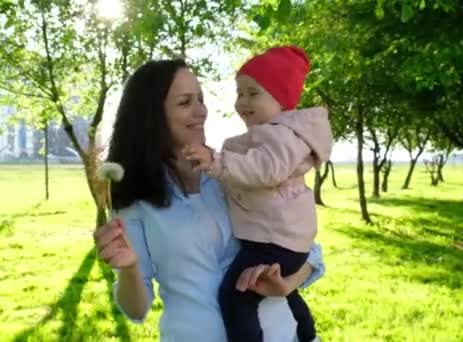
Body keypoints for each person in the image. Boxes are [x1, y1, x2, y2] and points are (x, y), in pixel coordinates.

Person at [93, 58, 326, 342]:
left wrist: (286, 284)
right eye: (185, 102)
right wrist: (128, 268)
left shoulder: (236, 169)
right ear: (151, 115)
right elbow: (136, 309)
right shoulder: (133, 198)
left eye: (201, 99)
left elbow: (308, 251)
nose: (201, 111)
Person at [183, 46, 333, 342]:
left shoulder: (279, 134)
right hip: (284, 241)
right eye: (240, 93)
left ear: (282, 100)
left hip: (272, 242)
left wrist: (215, 162)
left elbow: (265, 169)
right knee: (280, 294)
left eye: (253, 93)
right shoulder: (278, 133)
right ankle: (306, 332)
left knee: (236, 295)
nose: (242, 102)